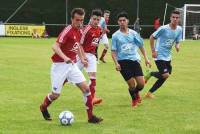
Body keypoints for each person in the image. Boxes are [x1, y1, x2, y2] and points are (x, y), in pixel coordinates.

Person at [39, 8, 103, 124]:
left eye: (82, 20)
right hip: (60, 66)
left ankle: (90, 117)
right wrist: (65, 58)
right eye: (77, 20)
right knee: (55, 95)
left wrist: (82, 57)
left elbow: (77, 45)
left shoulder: (80, 30)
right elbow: (55, 46)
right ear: (72, 19)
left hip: (71, 65)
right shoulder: (68, 30)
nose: (79, 23)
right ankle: (43, 107)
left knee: (86, 89)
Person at [111, 11, 151, 108]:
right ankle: (134, 100)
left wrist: (146, 58)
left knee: (141, 84)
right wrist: (116, 63)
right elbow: (113, 51)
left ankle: (136, 93)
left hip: (134, 61)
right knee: (131, 84)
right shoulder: (115, 36)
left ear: (127, 21)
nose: (122, 22)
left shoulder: (133, 33)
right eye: (120, 21)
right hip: (123, 62)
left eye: (124, 20)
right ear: (118, 22)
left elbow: (141, 46)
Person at [145, 10, 182, 98]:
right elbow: (151, 37)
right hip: (159, 55)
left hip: (168, 56)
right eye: (173, 17)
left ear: (179, 19)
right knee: (165, 75)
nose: (175, 19)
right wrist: (153, 51)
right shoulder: (163, 28)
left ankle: (149, 93)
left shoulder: (179, 29)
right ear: (170, 18)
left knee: (165, 76)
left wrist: (177, 46)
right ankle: (151, 74)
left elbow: (177, 41)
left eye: (177, 18)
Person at [76, 9, 103, 105]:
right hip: (81, 55)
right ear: (91, 18)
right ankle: (57, 88)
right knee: (69, 75)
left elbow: (95, 43)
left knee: (93, 77)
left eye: (98, 20)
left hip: (91, 56)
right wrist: (83, 57)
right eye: (94, 19)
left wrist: (94, 55)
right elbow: (79, 44)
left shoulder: (99, 29)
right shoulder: (86, 29)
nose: (96, 21)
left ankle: (92, 98)